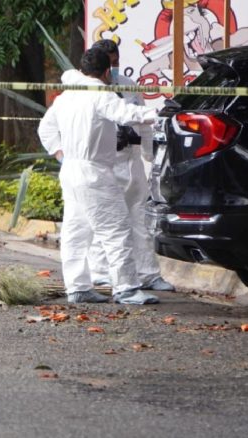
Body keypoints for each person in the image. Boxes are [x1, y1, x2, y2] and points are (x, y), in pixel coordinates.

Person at [38, 47, 159, 305]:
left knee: (76, 232)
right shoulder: (99, 93)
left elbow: (45, 128)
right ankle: (126, 289)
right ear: (106, 73)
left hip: (70, 170)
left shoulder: (67, 96)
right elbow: (126, 113)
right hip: (95, 172)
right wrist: (156, 115)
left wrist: (60, 154)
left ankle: (78, 287)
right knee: (116, 229)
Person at [85, 39, 175, 292]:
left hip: (131, 159)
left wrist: (149, 155)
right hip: (106, 161)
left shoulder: (128, 86)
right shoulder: (88, 92)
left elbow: (143, 124)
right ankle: (101, 272)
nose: (113, 69)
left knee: (139, 218)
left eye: (116, 63)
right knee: (106, 220)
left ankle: (148, 274)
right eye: (110, 64)